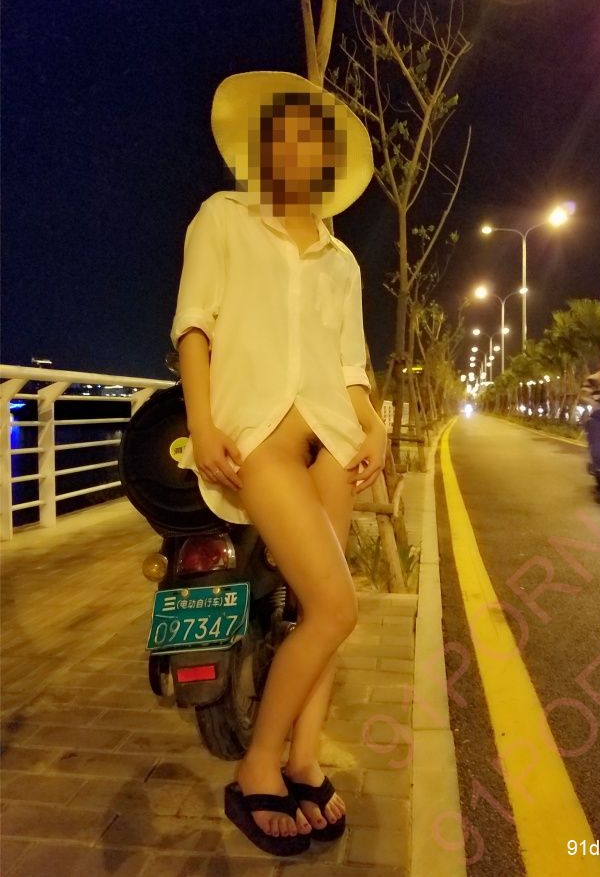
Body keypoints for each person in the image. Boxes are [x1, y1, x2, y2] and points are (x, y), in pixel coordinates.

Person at [169, 70, 387, 856]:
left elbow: (352, 365)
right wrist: (201, 423)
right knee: (337, 606)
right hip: (258, 436)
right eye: (283, 135)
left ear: (327, 160)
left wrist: (376, 428)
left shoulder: (341, 260)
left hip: (334, 439)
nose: (297, 149)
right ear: (263, 149)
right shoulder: (222, 218)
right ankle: (257, 764)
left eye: (311, 139)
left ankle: (304, 759)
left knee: (315, 613)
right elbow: (194, 325)